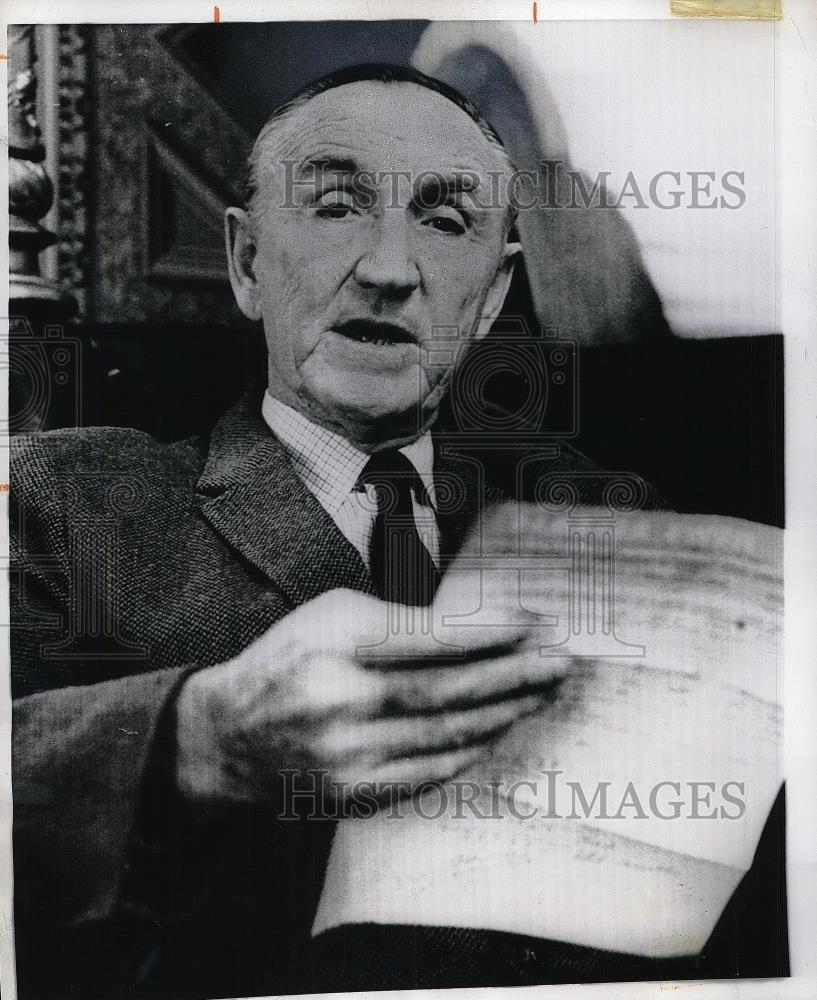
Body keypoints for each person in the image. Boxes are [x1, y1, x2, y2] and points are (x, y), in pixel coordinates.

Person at [10, 64, 784, 1000]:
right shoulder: (68, 497)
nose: (387, 269)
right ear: (248, 263)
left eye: (445, 222)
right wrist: (201, 738)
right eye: (336, 207)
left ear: (491, 298)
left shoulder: (615, 530)